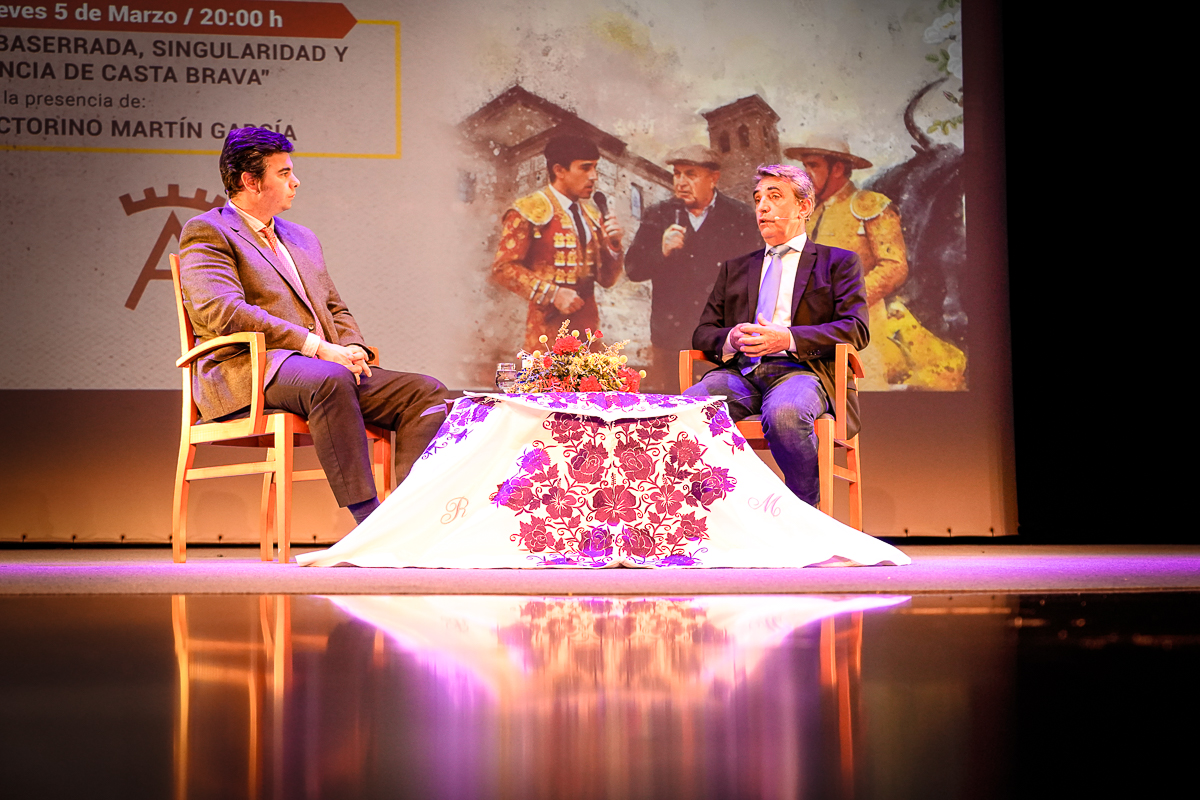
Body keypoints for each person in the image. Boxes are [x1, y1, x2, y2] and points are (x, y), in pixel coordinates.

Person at [179, 127, 448, 526]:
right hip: (252, 369)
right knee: (329, 380)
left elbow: (334, 307)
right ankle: (369, 522)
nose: (296, 181)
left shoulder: (301, 238)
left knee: (425, 392)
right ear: (250, 181)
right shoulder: (208, 231)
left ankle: (407, 518)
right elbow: (224, 311)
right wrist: (316, 346)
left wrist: (353, 346)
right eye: (284, 173)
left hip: (319, 370)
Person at [685, 164, 868, 506]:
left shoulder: (837, 263)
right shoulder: (737, 268)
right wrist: (732, 338)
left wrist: (787, 338)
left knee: (785, 415)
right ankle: (722, 513)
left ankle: (803, 514)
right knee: (688, 411)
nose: (762, 207)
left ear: (803, 206)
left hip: (803, 372)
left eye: (774, 197)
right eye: (757, 199)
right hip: (741, 373)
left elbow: (855, 328)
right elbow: (703, 333)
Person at [785, 136, 964, 390]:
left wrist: (844, 300)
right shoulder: (808, 214)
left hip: (865, 324)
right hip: (810, 329)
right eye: (805, 165)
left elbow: (894, 266)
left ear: (837, 169)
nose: (805, 173)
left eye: (813, 165)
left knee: (864, 386)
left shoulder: (870, 205)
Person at [624, 145, 759, 391]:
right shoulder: (659, 214)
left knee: (716, 405)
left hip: (720, 340)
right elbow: (633, 269)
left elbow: (755, 275)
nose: (681, 182)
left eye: (690, 174)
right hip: (669, 340)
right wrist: (661, 250)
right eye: (677, 174)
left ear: (713, 178)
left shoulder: (739, 216)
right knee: (670, 405)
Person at [490, 134, 625, 352]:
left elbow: (607, 280)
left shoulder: (592, 215)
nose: (594, 177)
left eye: (595, 168)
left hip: (587, 327)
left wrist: (614, 246)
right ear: (559, 170)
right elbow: (503, 268)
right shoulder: (529, 209)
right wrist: (553, 293)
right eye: (585, 168)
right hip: (547, 326)